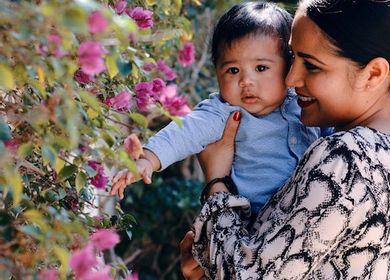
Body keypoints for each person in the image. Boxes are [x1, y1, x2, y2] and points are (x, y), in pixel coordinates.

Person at [181, 0, 390, 279]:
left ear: (373, 73)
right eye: (292, 57)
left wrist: (217, 180)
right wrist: (211, 258)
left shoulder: (347, 158)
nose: (291, 78)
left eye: (311, 65)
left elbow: (247, 275)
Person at [110, 2, 330, 214]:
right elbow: (184, 133)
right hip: (249, 220)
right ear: (217, 72)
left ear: (289, 67)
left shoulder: (304, 102)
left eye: (261, 68)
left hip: (306, 214)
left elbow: (335, 132)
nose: (246, 81)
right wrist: (148, 159)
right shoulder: (222, 112)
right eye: (233, 70)